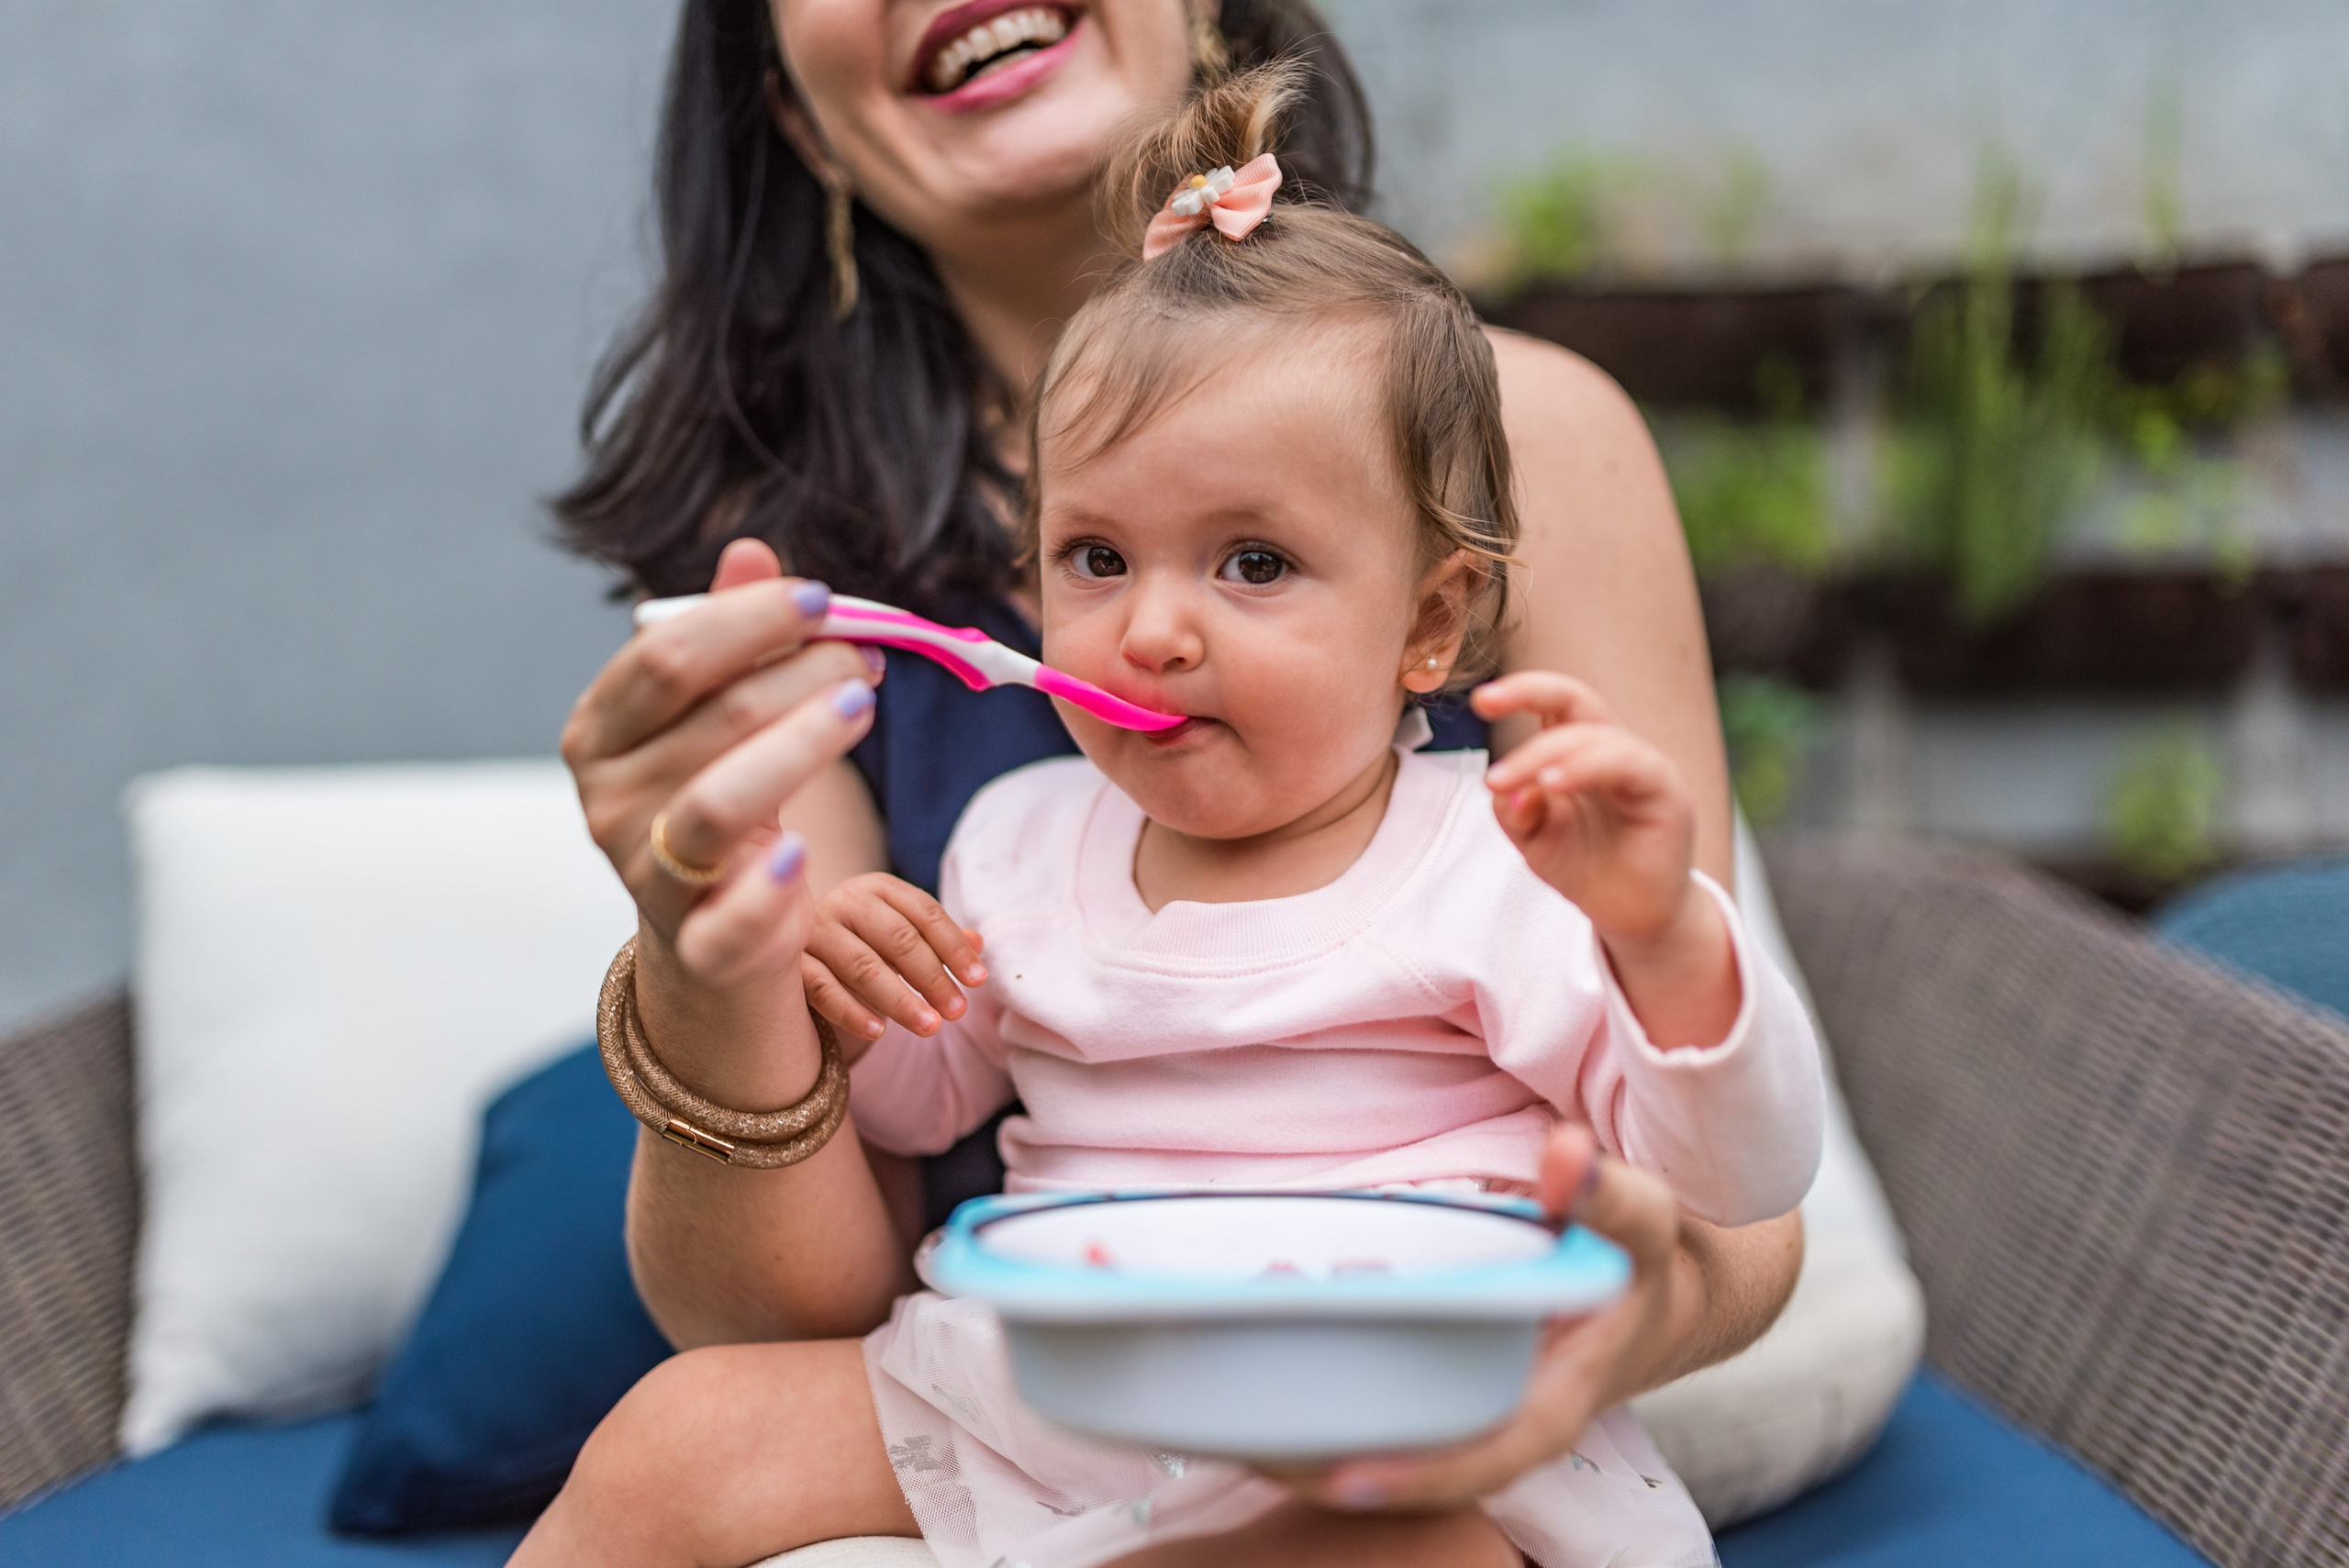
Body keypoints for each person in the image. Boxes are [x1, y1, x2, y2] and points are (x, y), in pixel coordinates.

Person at [524, 68, 1823, 1568]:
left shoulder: (1498, 855)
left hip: (1386, 1410)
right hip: (1058, 1372)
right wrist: (826, 966)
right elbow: (917, 1104)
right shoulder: (1019, 834)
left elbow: (1737, 1178)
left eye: (1253, 564)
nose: (1150, 630)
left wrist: (1665, 939)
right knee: (673, 1437)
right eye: (1092, 558)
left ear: (1432, 621)